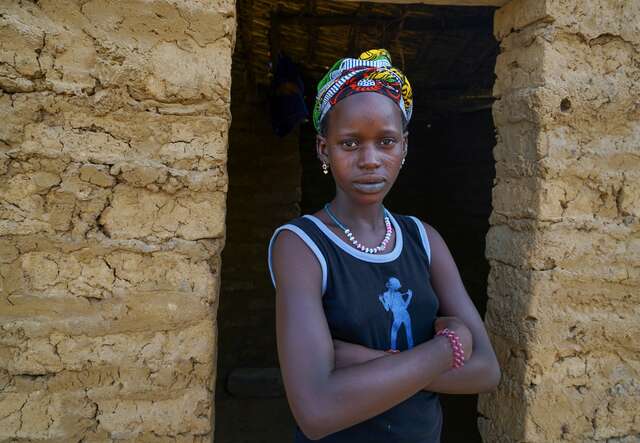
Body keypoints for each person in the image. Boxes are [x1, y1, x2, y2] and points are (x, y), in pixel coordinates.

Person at [267, 49, 501, 442]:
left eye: (386, 142)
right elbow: (316, 410)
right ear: (324, 149)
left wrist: (358, 361)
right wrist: (447, 348)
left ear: (404, 147)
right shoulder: (301, 246)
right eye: (350, 143)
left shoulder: (423, 239)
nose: (371, 160)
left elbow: (485, 370)